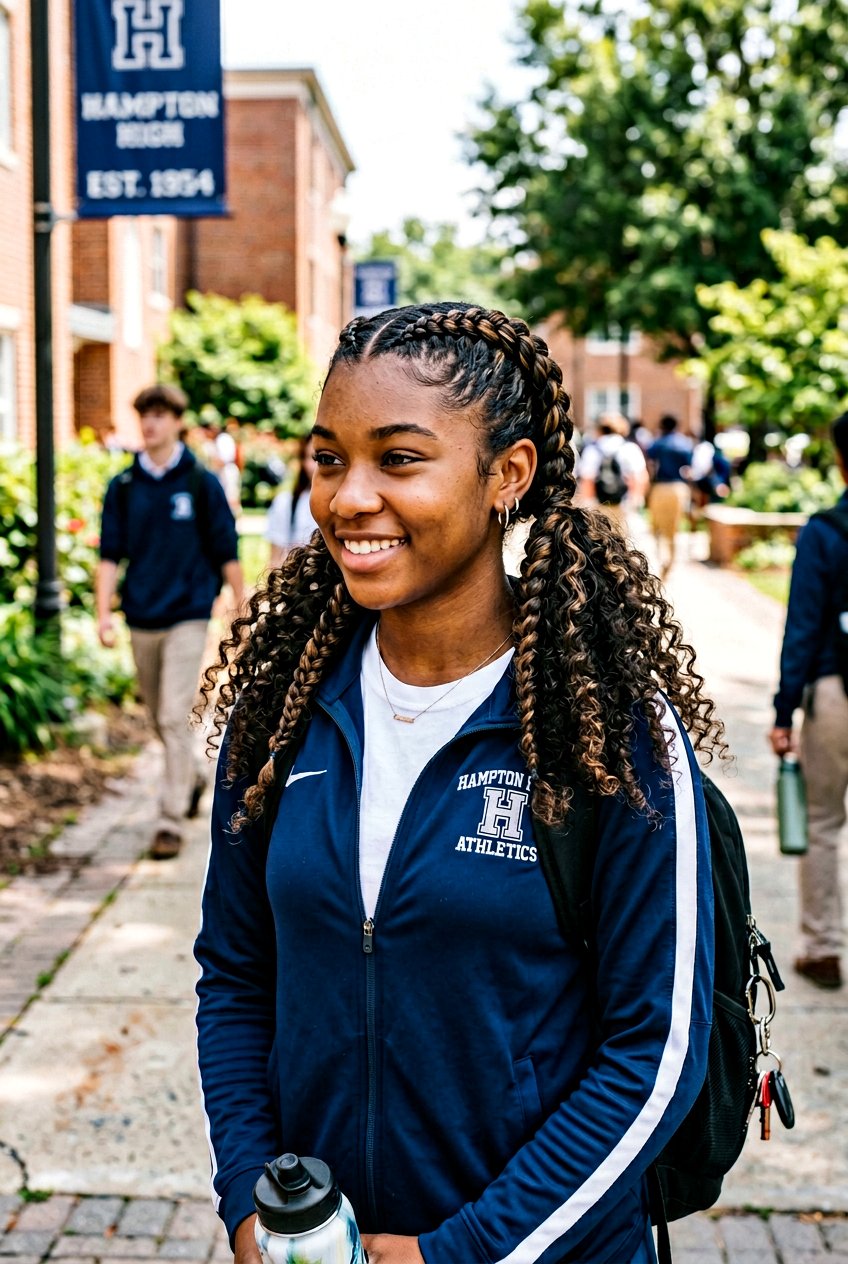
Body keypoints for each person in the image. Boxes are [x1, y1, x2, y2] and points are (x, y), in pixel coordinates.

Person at [194, 304, 722, 1264]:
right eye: (328, 459)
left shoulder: (608, 730)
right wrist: (253, 1203)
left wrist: (461, 1252)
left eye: (399, 459)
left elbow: (656, 1055)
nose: (348, 497)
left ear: (507, 475)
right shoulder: (279, 711)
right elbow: (236, 975)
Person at [96, 383, 246, 860]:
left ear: (177, 422)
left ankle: (169, 821)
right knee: (159, 719)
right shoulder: (124, 486)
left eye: (160, 415)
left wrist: (241, 606)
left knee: (171, 715)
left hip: (188, 613)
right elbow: (108, 555)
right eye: (145, 414)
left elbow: (226, 549)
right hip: (141, 615)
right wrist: (103, 614)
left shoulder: (201, 482)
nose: (150, 423)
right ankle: (195, 777)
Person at [770, 411, 848, 990]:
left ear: (840, 461)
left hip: (834, 691)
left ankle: (822, 947)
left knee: (821, 821)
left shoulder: (825, 532)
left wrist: (784, 710)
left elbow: (802, 627)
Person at [577, 411, 648, 531]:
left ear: (599, 429)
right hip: (624, 505)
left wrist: (589, 504)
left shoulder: (592, 450)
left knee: (601, 537)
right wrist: (635, 501)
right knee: (623, 537)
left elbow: (587, 479)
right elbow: (640, 477)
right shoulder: (630, 448)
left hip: (599, 505)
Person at [645, 415, 694, 579]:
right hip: (679, 488)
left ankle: (660, 558)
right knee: (674, 527)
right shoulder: (685, 443)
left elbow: (650, 462)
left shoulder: (658, 443)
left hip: (661, 487)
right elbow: (689, 468)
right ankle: (671, 560)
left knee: (657, 525)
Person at [265, 434, 318, 568]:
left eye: (327, 459)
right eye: (312, 457)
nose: (317, 466)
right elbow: (275, 560)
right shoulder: (286, 503)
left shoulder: (346, 506)